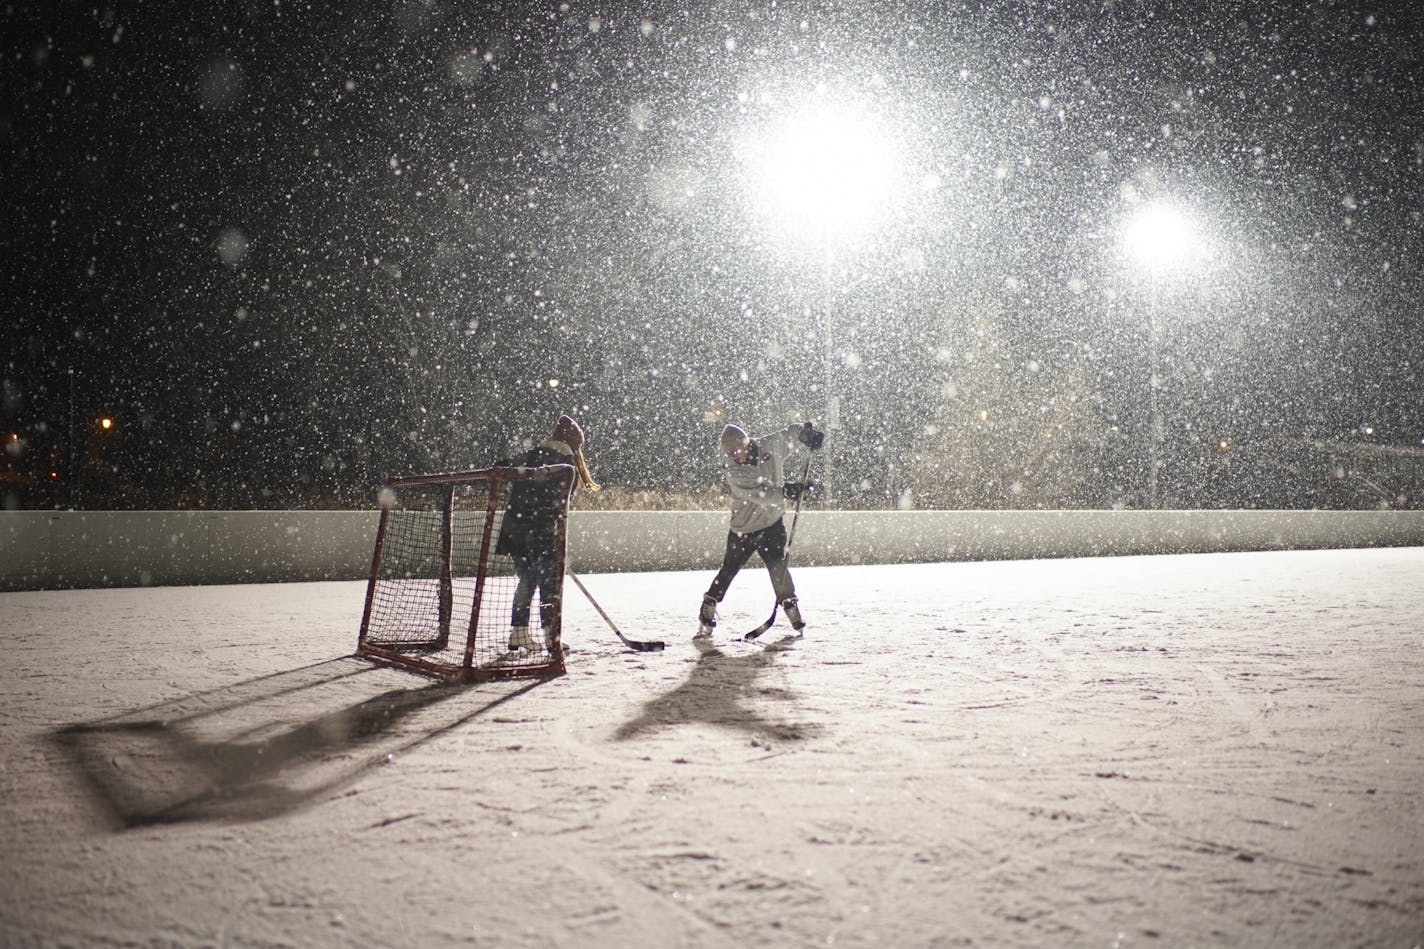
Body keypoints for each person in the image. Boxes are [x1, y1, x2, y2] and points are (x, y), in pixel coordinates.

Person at [697, 420, 823, 638]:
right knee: (729, 570)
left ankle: (791, 606)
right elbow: (762, 495)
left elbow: (788, 435)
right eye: (730, 453)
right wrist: (787, 492)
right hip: (743, 530)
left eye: (737, 450)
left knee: (778, 569)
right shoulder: (733, 470)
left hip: (772, 525)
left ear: (747, 443)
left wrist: (803, 434)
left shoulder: (769, 446)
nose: (734, 455)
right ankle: (708, 607)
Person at [495, 414, 599, 651]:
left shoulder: (533, 454)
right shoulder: (565, 461)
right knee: (549, 586)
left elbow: (509, 468)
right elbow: (560, 501)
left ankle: (519, 632)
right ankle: (550, 635)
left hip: (516, 529)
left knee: (526, 581)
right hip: (541, 532)